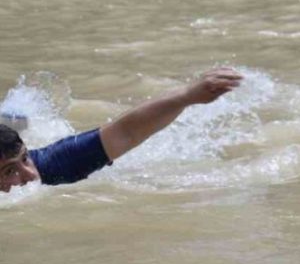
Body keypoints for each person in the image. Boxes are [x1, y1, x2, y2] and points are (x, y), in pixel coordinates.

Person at [0, 68, 242, 193]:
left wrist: (187, 96)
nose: (30, 175)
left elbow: (126, 132)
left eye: (24, 158)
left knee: (16, 118)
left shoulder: (50, 165)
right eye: (10, 170)